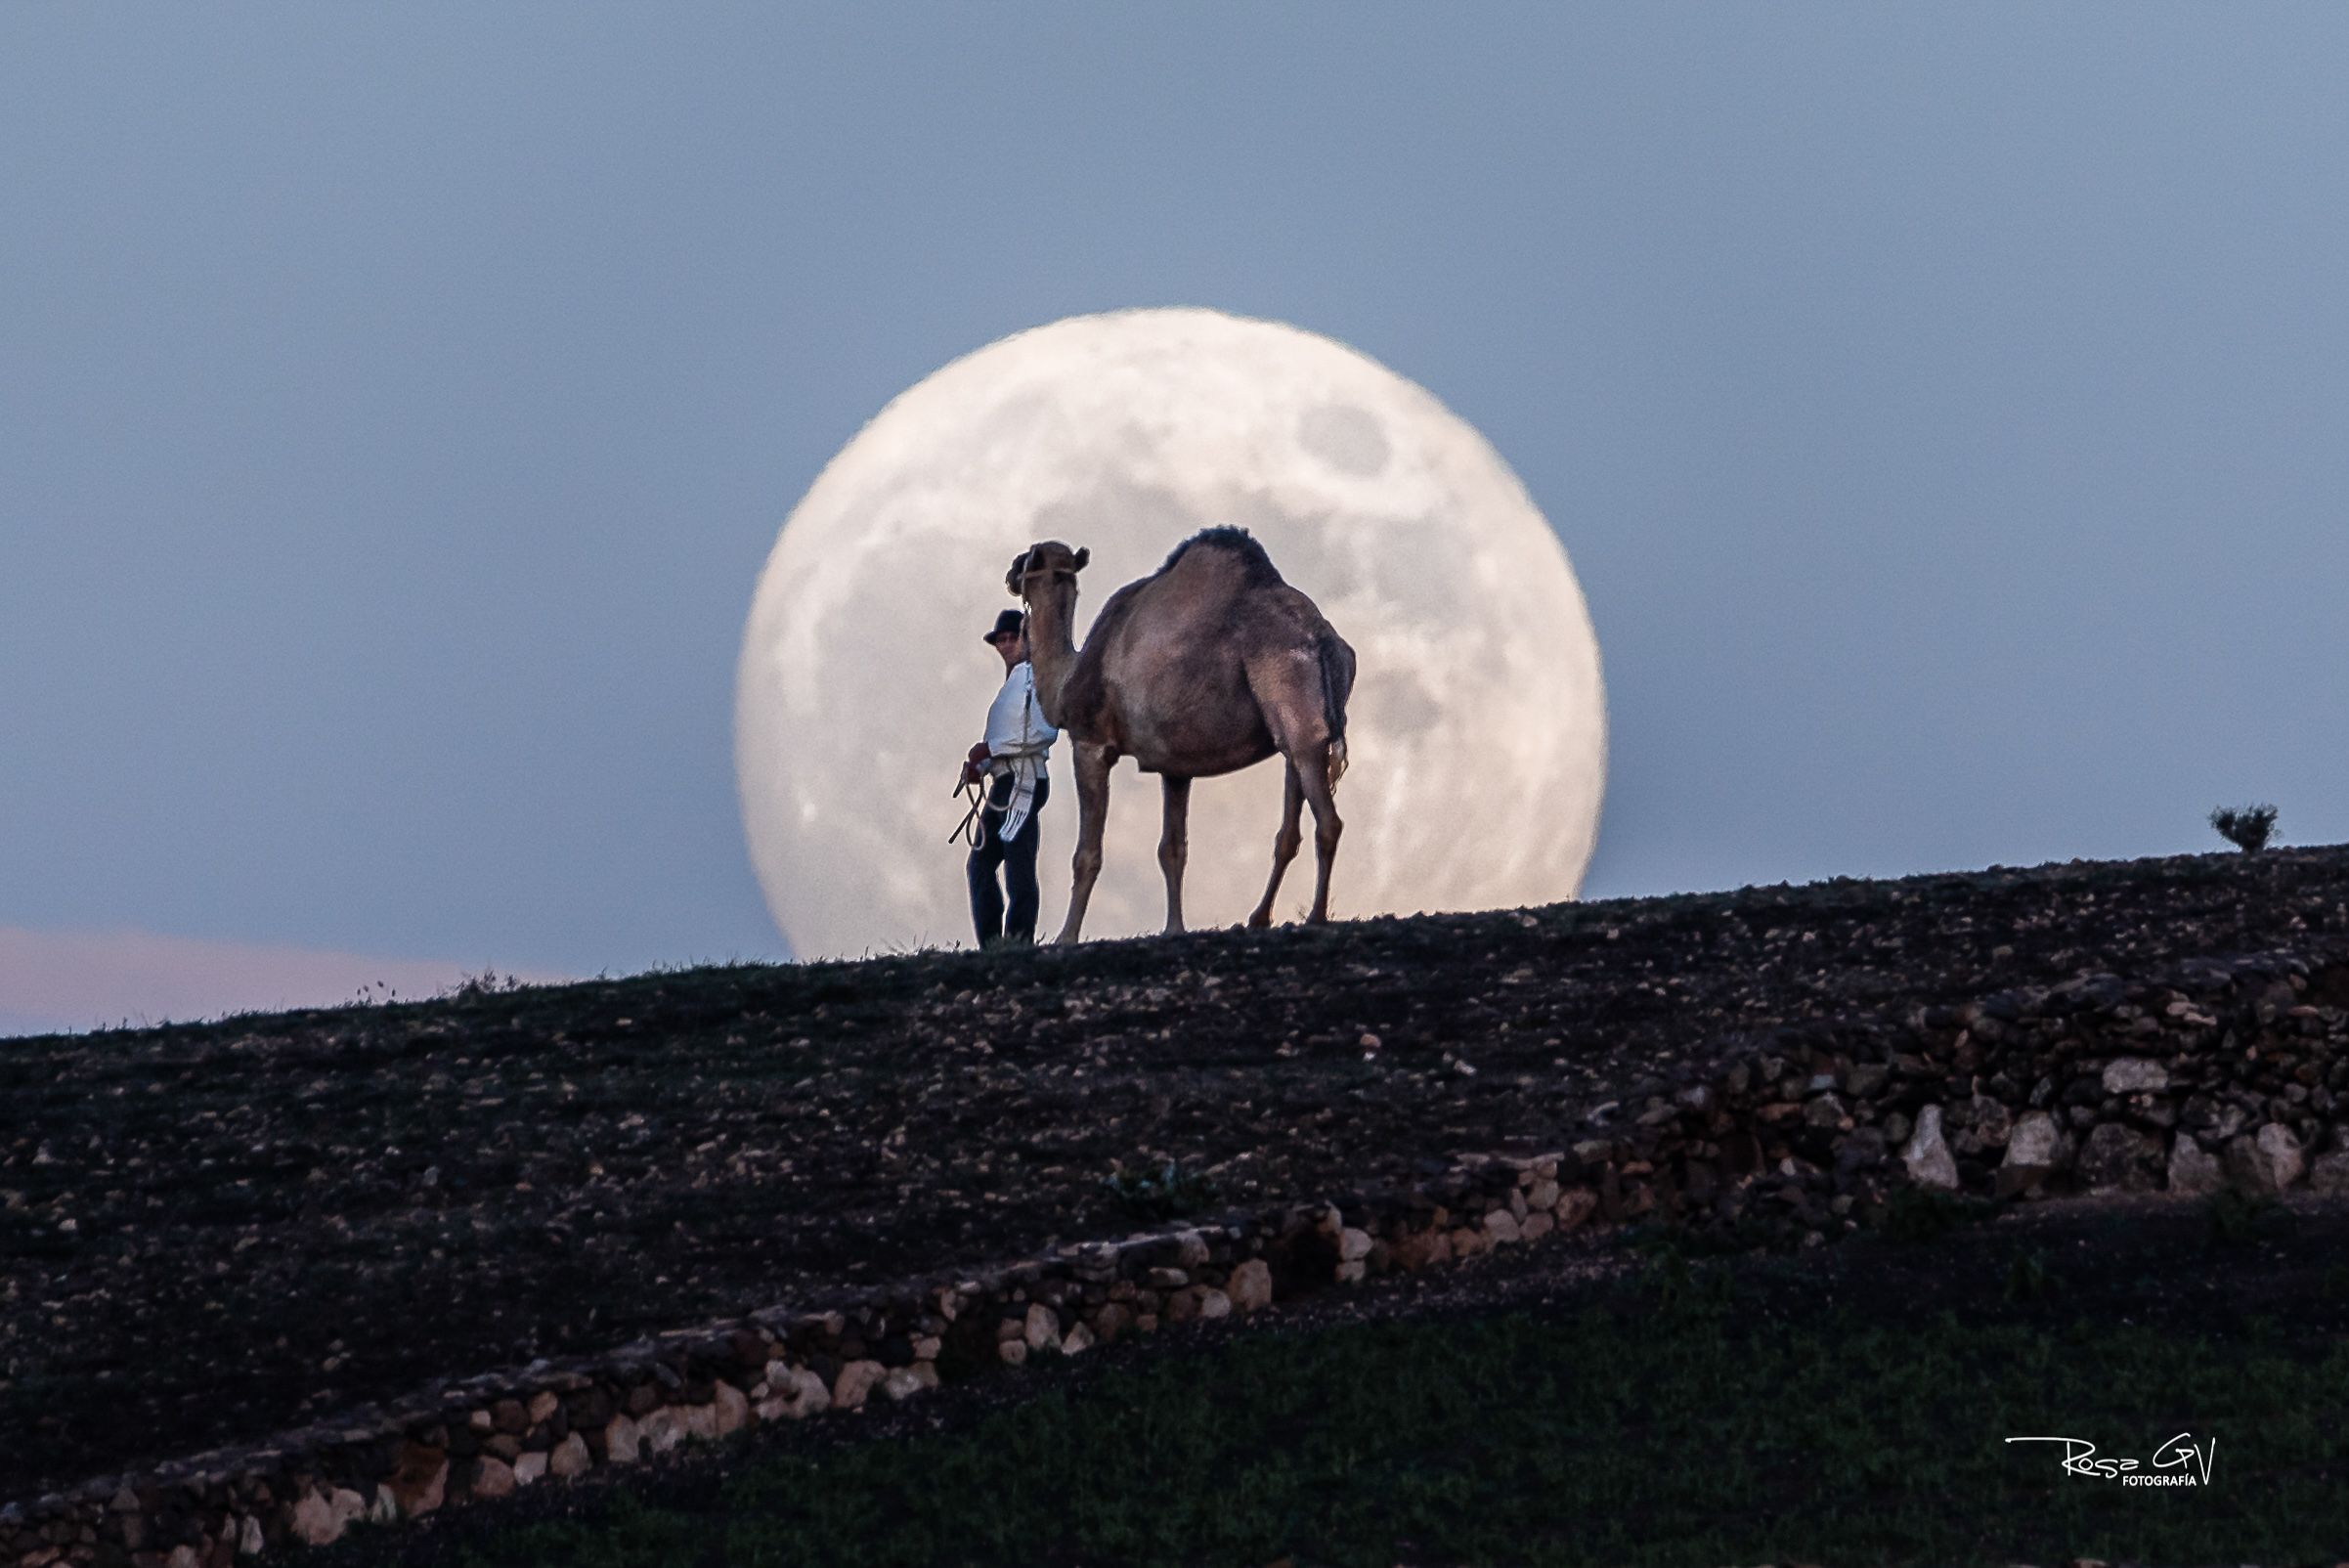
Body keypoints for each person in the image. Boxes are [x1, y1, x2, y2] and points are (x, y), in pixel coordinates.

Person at [963, 608, 1058, 946]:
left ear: (1027, 639)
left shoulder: (1039, 677)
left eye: (1012, 637)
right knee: (980, 863)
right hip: (1005, 782)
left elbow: (1045, 732)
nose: (1005, 644)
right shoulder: (1009, 689)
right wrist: (981, 766)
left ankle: (1018, 940)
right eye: (1000, 639)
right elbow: (1001, 743)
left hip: (1025, 780)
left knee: (1018, 863)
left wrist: (990, 751)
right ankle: (991, 944)